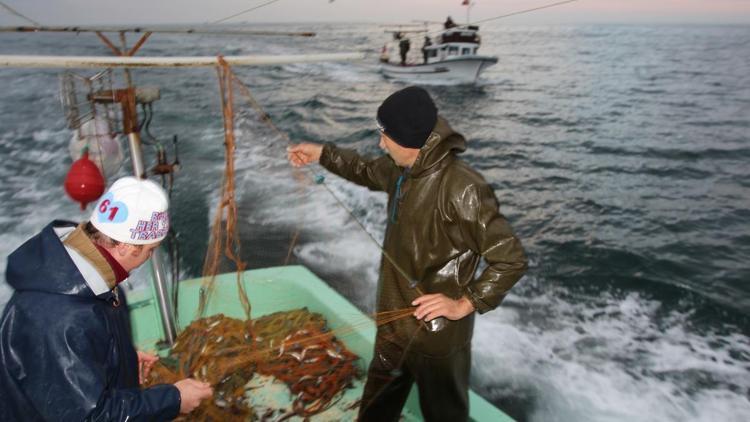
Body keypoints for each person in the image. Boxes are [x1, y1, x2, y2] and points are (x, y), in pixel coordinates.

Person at [287, 86, 528, 422]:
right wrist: (320, 153)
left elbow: (511, 258)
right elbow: (364, 170)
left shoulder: (464, 188)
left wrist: (463, 304)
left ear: (409, 140)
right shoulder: (399, 168)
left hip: (437, 339)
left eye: (385, 136)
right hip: (392, 324)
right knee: (375, 409)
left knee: (444, 416)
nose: (380, 143)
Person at [0, 176, 213, 421]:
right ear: (125, 247)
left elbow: (72, 359)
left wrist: (118, 358)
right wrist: (174, 400)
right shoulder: (62, 319)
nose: (149, 257)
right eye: (150, 250)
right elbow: (91, 417)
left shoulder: (90, 271)